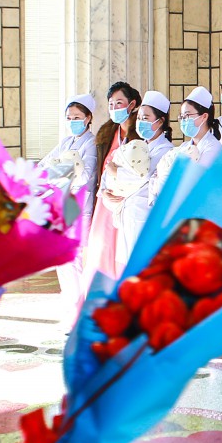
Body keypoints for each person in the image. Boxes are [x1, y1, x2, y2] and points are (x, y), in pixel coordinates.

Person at [100, 90, 174, 271]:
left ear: (160, 121)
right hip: (127, 215)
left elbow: (140, 176)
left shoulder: (165, 150)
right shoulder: (135, 146)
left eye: (146, 118)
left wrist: (115, 170)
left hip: (145, 216)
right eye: (139, 118)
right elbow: (108, 174)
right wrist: (105, 193)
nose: (141, 123)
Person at [81, 82, 141, 292]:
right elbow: (102, 169)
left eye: (119, 103)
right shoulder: (106, 135)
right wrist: (103, 192)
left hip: (127, 205)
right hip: (105, 204)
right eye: (111, 104)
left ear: (132, 104)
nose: (114, 108)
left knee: (122, 254)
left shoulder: (139, 135)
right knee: (101, 251)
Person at [40, 94, 98, 307]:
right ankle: (70, 310)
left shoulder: (91, 143)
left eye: (77, 117)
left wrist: (61, 171)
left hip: (79, 209)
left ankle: (80, 310)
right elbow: (46, 165)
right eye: (69, 118)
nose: (72, 122)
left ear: (88, 117)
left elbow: (83, 175)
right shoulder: (66, 142)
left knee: (75, 261)